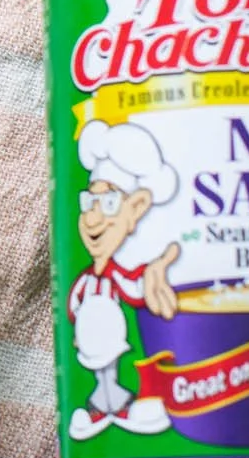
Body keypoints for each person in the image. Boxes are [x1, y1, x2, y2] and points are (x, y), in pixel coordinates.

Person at [66, 119, 181, 440]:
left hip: (116, 342)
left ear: (137, 207)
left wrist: (156, 270)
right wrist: (77, 332)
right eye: (90, 202)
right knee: (99, 367)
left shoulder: (120, 275)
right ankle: (101, 407)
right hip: (88, 344)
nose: (93, 217)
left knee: (117, 360)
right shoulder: (86, 281)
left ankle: (121, 404)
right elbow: (74, 306)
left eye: (109, 202)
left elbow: (137, 290)